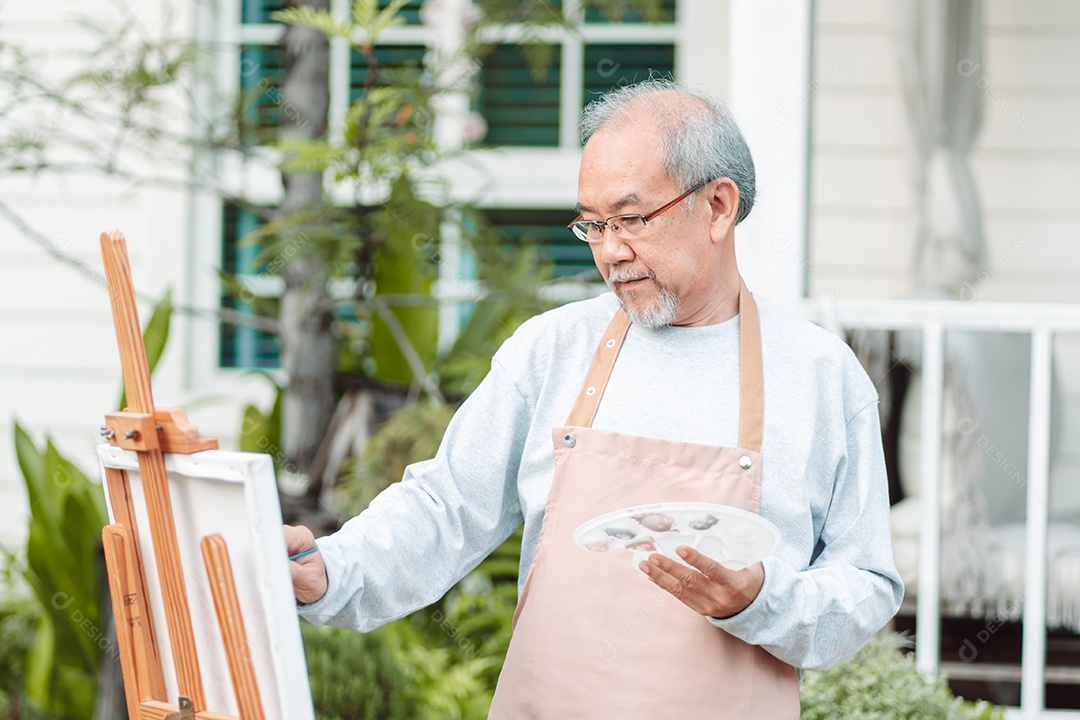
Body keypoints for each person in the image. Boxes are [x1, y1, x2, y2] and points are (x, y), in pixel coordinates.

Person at [285, 79, 903, 718]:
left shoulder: (820, 374)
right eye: (592, 224)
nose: (610, 252)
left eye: (632, 219)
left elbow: (866, 585)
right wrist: (332, 571)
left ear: (718, 207)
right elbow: (444, 510)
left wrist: (760, 601)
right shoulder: (551, 349)